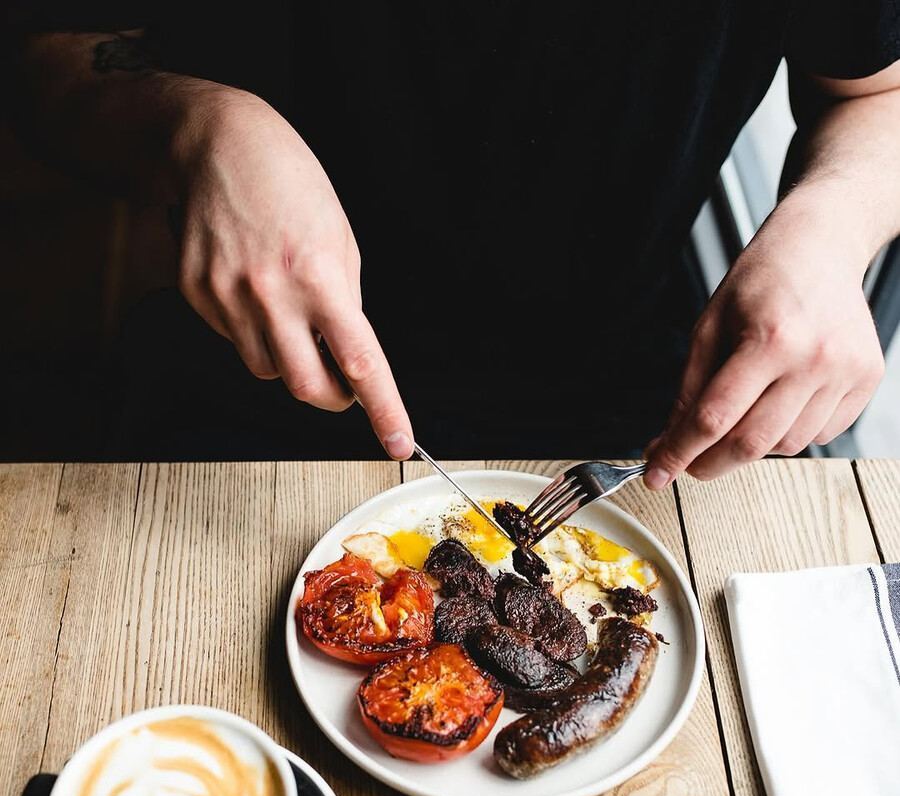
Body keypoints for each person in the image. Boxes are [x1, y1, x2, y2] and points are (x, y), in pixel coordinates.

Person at [7, 4, 900, 481]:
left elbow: (876, 93)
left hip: (639, 406)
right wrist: (194, 125)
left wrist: (831, 227)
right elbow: (41, 57)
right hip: (244, 371)